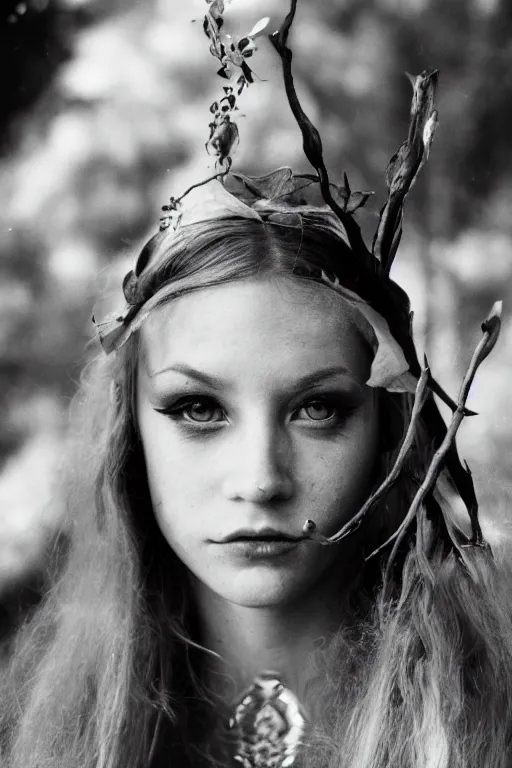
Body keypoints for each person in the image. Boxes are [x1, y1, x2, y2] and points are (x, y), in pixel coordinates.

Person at [1, 2, 512, 767]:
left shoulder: (490, 715)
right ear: (126, 431)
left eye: (317, 408)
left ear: (388, 424)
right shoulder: (41, 727)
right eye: (199, 408)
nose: (260, 480)